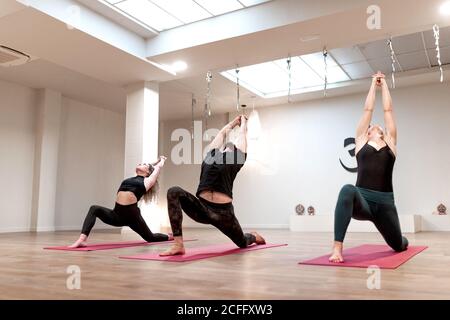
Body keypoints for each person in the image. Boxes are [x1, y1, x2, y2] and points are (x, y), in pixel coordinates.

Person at [329, 72, 409, 263]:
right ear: (367, 131)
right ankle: (337, 247)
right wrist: (374, 84)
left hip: (385, 205)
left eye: (379, 127)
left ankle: (403, 240)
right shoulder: (361, 141)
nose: (376, 125)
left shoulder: (391, 142)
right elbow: (368, 110)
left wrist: (386, 85)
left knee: (399, 245)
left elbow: (388, 111)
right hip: (362, 200)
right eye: (372, 126)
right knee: (347, 190)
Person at [160, 115, 265, 256]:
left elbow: (242, 137)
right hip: (202, 208)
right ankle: (178, 244)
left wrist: (244, 124)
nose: (229, 146)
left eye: (233, 147)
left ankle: (253, 236)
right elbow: (222, 134)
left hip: (223, 214)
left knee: (242, 242)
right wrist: (233, 123)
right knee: (174, 191)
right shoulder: (211, 155)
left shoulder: (235, 160)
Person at [69, 156, 172, 248]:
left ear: (148, 172)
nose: (140, 164)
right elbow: (151, 166)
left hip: (133, 218)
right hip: (117, 216)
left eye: (144, 164)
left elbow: (157, 168)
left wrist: (161, 160)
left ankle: (169, 236)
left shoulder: (147, 181)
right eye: (140, 163)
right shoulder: (131, 178)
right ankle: (82, 239)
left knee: (151, 237)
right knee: (94, 208)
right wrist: (154, 162)